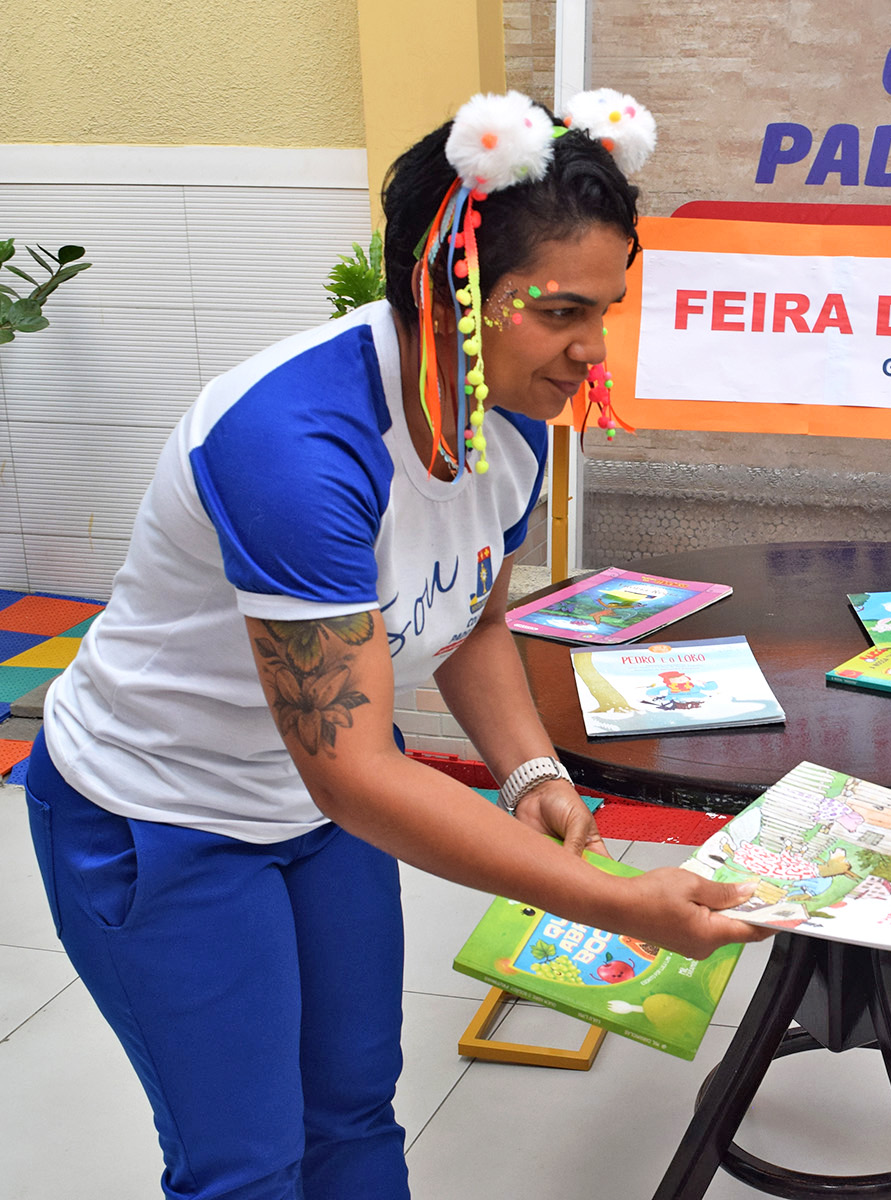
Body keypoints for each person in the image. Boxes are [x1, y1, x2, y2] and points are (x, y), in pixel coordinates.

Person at [24, 89, 765, 1200]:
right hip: (161, 813)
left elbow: (473, 620)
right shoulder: (298, 451)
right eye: (562, 311)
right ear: (444, 287)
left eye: (606, 309)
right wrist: (619, 905)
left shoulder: (509, 418)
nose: (591, 351)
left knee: (355, 1113)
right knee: (246, 1161)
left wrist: (530, 772)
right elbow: (359, 772)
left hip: (321, 816)